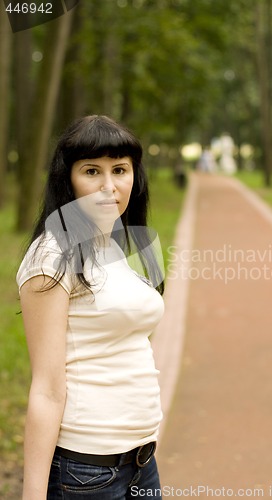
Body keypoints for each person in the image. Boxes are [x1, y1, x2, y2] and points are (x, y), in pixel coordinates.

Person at [16, 115, 165, 500]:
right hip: (86, 473)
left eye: (120, 170)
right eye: (91, 171)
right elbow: (47, 389)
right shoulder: (51, 255)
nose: (108, 186)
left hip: (141, 463)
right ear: (68, 179)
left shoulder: (111, 243)